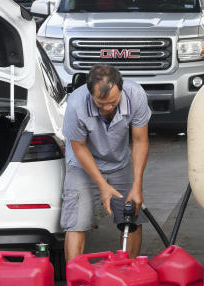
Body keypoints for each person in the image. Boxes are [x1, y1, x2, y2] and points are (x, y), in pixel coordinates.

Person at [61, 65, 152, 261]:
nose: (107, 108)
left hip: (120, 164)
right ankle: (75, 284)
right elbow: (79, 148)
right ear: (89, 93)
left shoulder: (135, 95)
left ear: (121, 88)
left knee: (132, 220)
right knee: (76, 223)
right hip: (82, 166)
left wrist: (137, 185)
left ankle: (128, 274)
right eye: (100, 103)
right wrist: (102, 185)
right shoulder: (76, 104)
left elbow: (140, 141)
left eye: (112, 102)